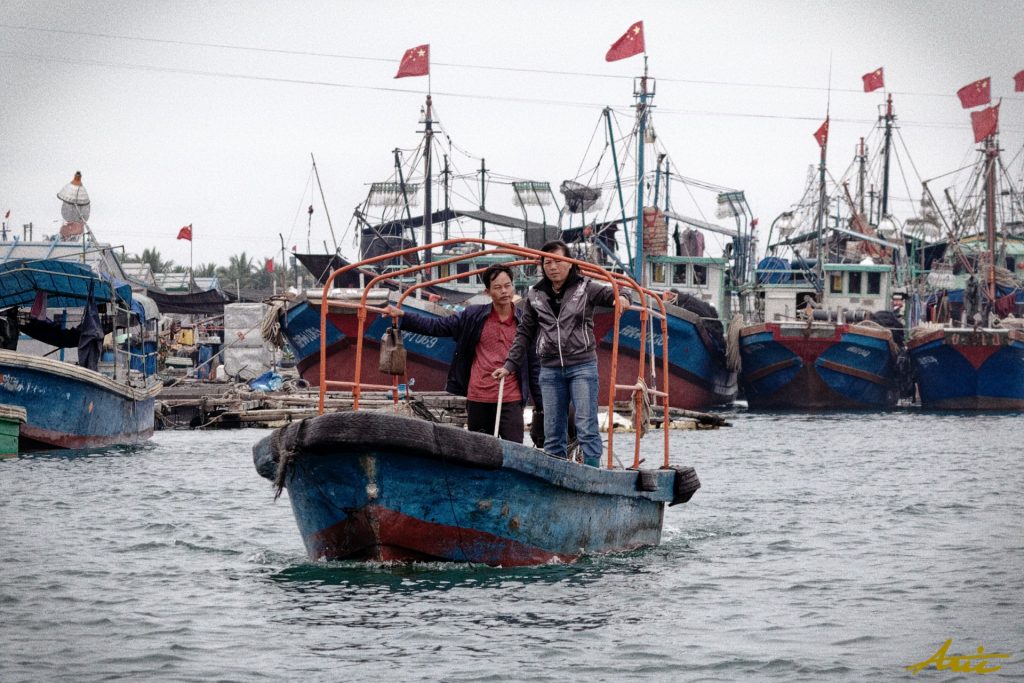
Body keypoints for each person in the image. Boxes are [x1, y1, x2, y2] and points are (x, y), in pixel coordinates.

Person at [493, 240, 630, 467]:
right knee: (553, 429)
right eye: (547, 262)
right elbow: (524, 333)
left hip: (582, 366)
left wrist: (623, 298)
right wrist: (509, 365)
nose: (552, 266)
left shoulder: (586, 287)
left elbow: (619, 290)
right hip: (550, 369)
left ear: (570, 264)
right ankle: (556, 474)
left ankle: (593, 472)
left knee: (586, 424)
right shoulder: (535, 295)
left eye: (558, 261)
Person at [382, 264, 541, 444]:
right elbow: (438, 326)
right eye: (497, 287)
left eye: (508, 285)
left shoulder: (525, 322)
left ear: (513, 286)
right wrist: (402, 315)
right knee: (479, 453)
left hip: (511, 398)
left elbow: (534, 365)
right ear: (487, 292)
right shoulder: (473, 316)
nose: (504, 291)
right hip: (478, 396)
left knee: (514, 453)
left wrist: (540, 407)